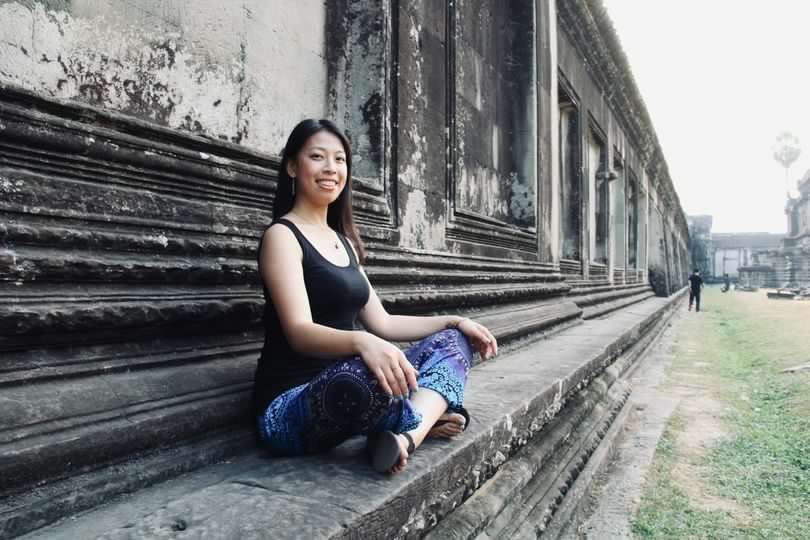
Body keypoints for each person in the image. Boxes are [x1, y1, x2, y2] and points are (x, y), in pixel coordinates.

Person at [253, 119, 498, 474]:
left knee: (453, 340)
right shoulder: (282, 235)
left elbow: (384, 321)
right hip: (291, 406)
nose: (330, 169)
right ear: (293, 166)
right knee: (359, 375)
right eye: (317, 157)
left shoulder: (345, 242)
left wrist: (455, 320)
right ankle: (423, 420)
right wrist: (363, 343)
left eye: (339, 160)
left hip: (351, 389)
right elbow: (298, 330)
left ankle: (402, 437)